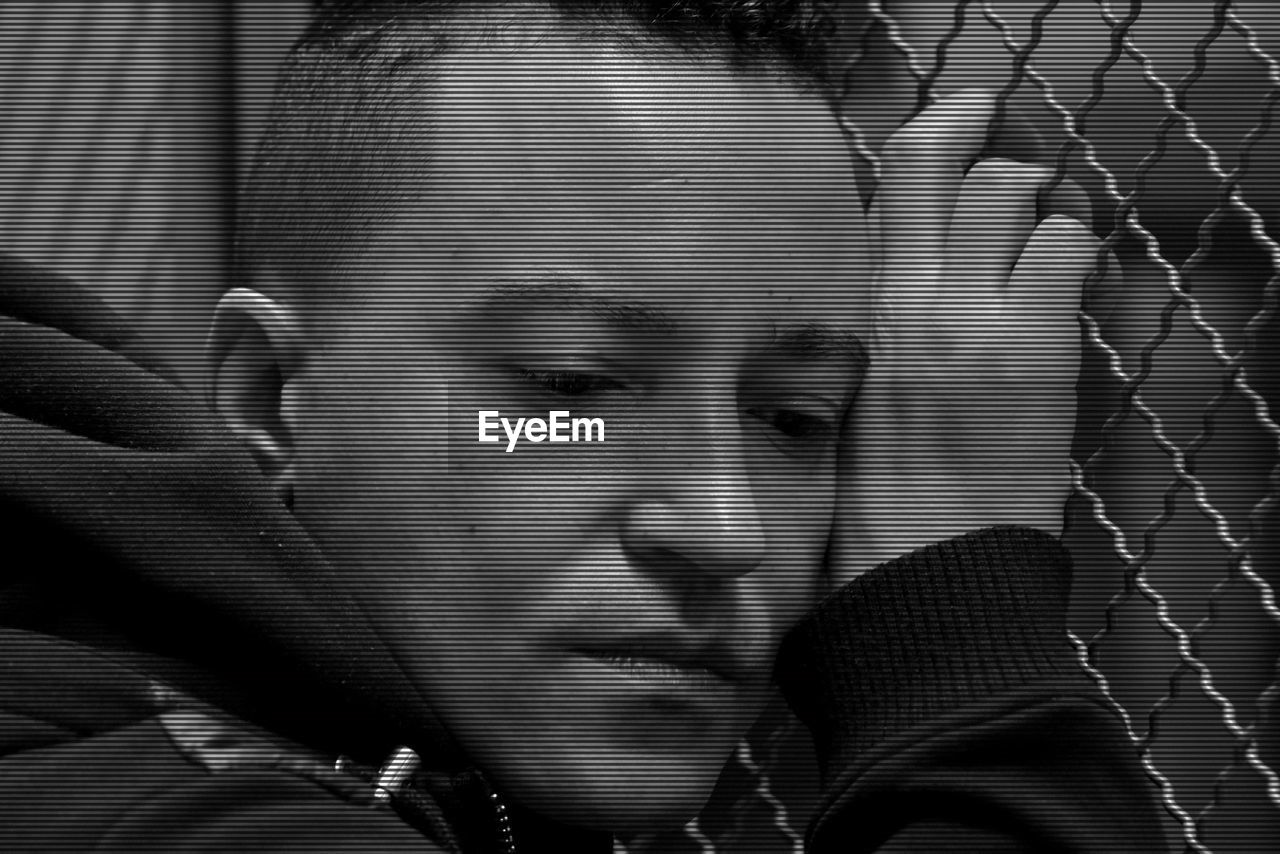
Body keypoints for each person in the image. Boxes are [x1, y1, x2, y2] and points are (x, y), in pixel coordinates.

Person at [0, 0, 1168, 851]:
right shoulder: (160, 808)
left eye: (794, 419)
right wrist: (959, 642)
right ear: (268, 396)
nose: (724, 529)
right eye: (567, 391)